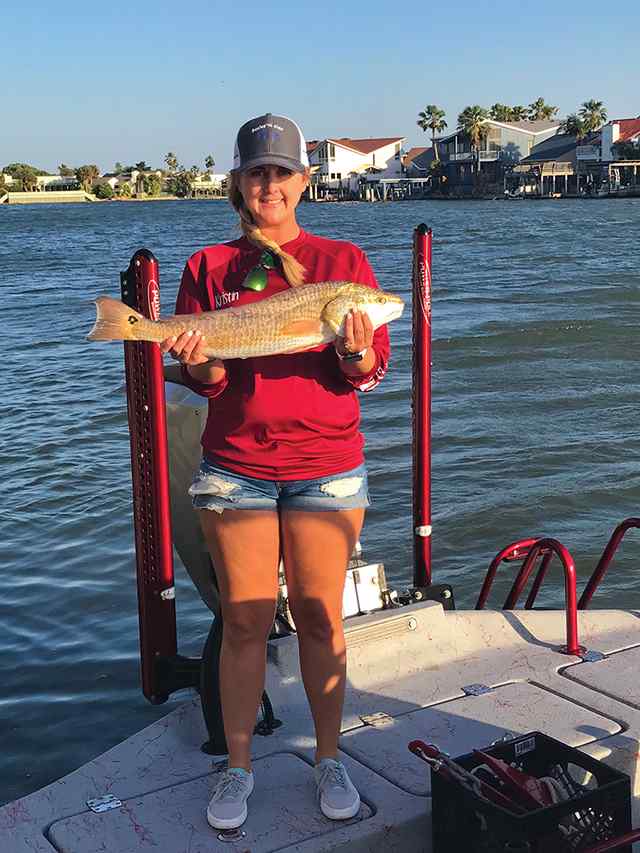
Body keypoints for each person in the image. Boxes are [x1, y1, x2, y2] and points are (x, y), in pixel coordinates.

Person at [160, 113, 391, 831]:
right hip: (238, 470)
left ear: (303, 181)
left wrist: (357, 350)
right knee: (245, 622)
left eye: (282, 172)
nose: (270, 184)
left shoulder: (343, 260)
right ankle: (236, 767)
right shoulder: (208, 267)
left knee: (322, 618)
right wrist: (196, 361)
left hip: (326, 465)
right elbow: (207, 381)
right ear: (238, 182)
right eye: (257, 172)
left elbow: (369, 370)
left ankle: (329, 755)